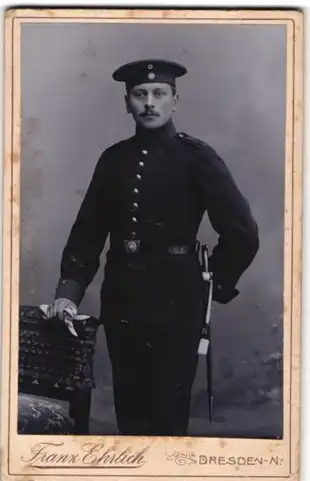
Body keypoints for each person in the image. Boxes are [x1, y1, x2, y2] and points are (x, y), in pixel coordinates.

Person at [47, 59, 259, 436]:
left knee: (166, 414)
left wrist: (214, 286)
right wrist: (69, 294)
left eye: (159, 94)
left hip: (178, 303)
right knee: (129, 411)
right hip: (123, 302)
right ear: (126, 101)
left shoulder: (198, 158)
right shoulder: (113, 160)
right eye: (140, 94)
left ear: (174, 101)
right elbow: (87, 234)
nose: (150, 103)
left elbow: (242, 232)